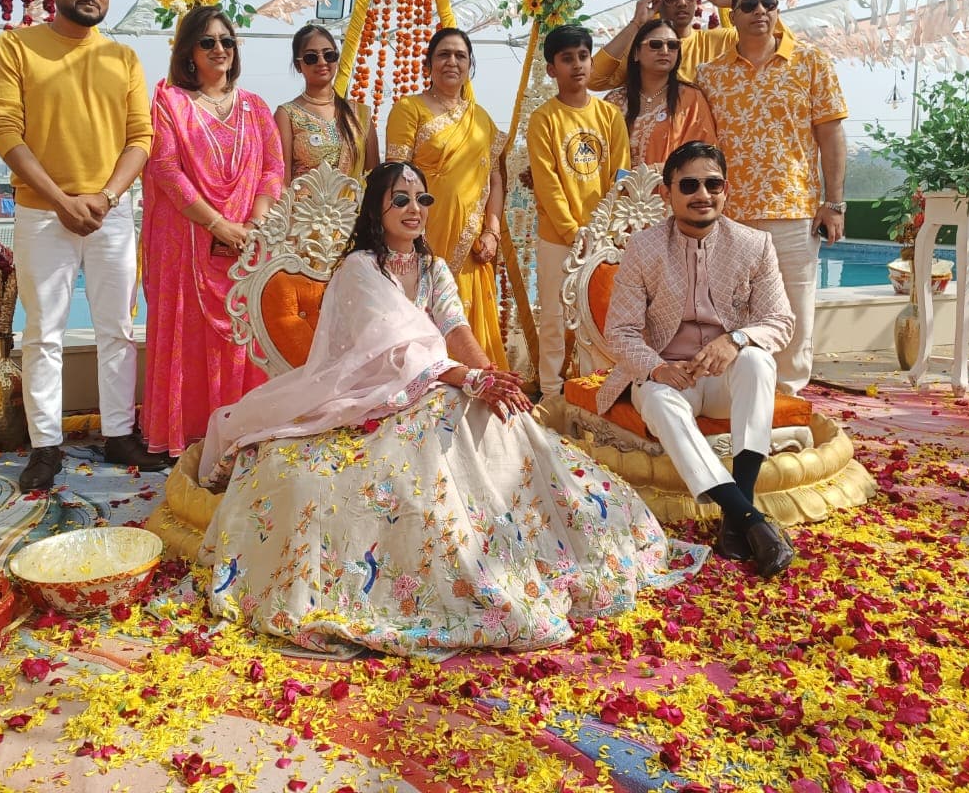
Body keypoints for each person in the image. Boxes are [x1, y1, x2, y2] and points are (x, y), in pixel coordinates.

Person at [194, 162, 708, 657]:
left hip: (432, 385)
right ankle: (451, 561)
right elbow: (393, 350)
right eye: (401, 198)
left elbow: (454, 329)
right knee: (449, 413)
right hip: (371, 397)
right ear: (378, 207)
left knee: (492, 416)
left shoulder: (434, 266)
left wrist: (494, 379)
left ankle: (513, 545)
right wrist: (470, 378)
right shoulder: (359, 268)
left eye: (422, 198)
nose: (414, 207)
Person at [0, 0, 166, 490]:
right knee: (44, 333)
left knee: (116, 327)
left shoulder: (123, 58)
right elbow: (6, 132)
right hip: (44, 213)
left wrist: (106, 198)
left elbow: (142, 138)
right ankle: (45, 445)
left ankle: (117, 433)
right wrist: (63, 199)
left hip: (110, 214)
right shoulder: (15, 48)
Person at [598, 141, 796, 577]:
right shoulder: (644, 248)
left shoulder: (754, 244)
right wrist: (656, 366)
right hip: (671, 374)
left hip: (725, 380)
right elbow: (620, 331)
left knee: (758, 362)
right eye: (689, 184)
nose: (702, 193)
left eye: (713, 183)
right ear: (668, 192)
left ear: (726, 190)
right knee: (655, 395)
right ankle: (750, 520)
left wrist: (736, 339)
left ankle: (737, 512)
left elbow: (781, 321)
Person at [141, 7, 284, 457]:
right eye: (208, 42)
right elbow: (165, 169)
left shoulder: (255, 107)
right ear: (188, 52)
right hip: (187, 240)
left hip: (247, 241)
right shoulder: (170, 103)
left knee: (245, 332)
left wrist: (254, 223)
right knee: (188, 333)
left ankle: (244, 428)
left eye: (227, 41)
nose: (220, 49)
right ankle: (190, 436)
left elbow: (272, 167)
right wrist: (218, 224)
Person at [694, 0, 849, 393]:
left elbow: (831, 135)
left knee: (794, 312)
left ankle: (788, 397)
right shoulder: (710, 75)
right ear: (733, 15)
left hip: (794, 211)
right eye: (749, 5)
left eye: (768, 3)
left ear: (778, 11)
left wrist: (834, 204)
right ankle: (737, 396)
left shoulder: (811, 62)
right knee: (731, 311)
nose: (760, 11)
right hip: (732, 215)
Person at [385, 28, 507, 369]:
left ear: (470, 66)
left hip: (472, 248)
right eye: (443, 55)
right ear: (428, 65)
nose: (452, 61)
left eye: (460, 56)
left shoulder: (480, 119)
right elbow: (395, 177)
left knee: (468, 325)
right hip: (422, 239)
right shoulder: (409, 109)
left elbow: (494, 180)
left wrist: (491, 231)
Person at [526, 24, 629, 398]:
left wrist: (602, 230)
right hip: (558, 238)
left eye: (583, 56)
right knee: (554, 317)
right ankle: (552, 393)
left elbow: (621, 176)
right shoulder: (544, 119)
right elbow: (548, 181)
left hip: (603, 239)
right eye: (567, 59)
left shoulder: (609, 116)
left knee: (599, 315)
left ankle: (596, 390)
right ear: (552, 69)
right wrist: (573, 232)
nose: (577, 65)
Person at [589, 0, 737, 90]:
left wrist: (735, 1)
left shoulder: (719, 41)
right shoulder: (644, 48)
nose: (682, 3)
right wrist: (636, 23)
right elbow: (593, 79)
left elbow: (760, 37)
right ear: (658, 1)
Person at [603, 18, 717, 168]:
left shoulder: (690, 97)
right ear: (636, 53)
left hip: (670, 188)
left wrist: (655, 171)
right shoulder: (614, 101)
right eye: (655, 44)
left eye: (672, 45)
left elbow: (705, 153)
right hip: (619, 189)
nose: (665, 51)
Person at [275, 24, 378, 181]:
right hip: (302, 205)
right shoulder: (286, 114)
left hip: (354, 205)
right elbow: (281, 181)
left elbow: (374, 179)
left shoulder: (360, 115)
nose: (322, 62)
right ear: (298, 65)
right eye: (311, 57)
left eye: (329, 55)